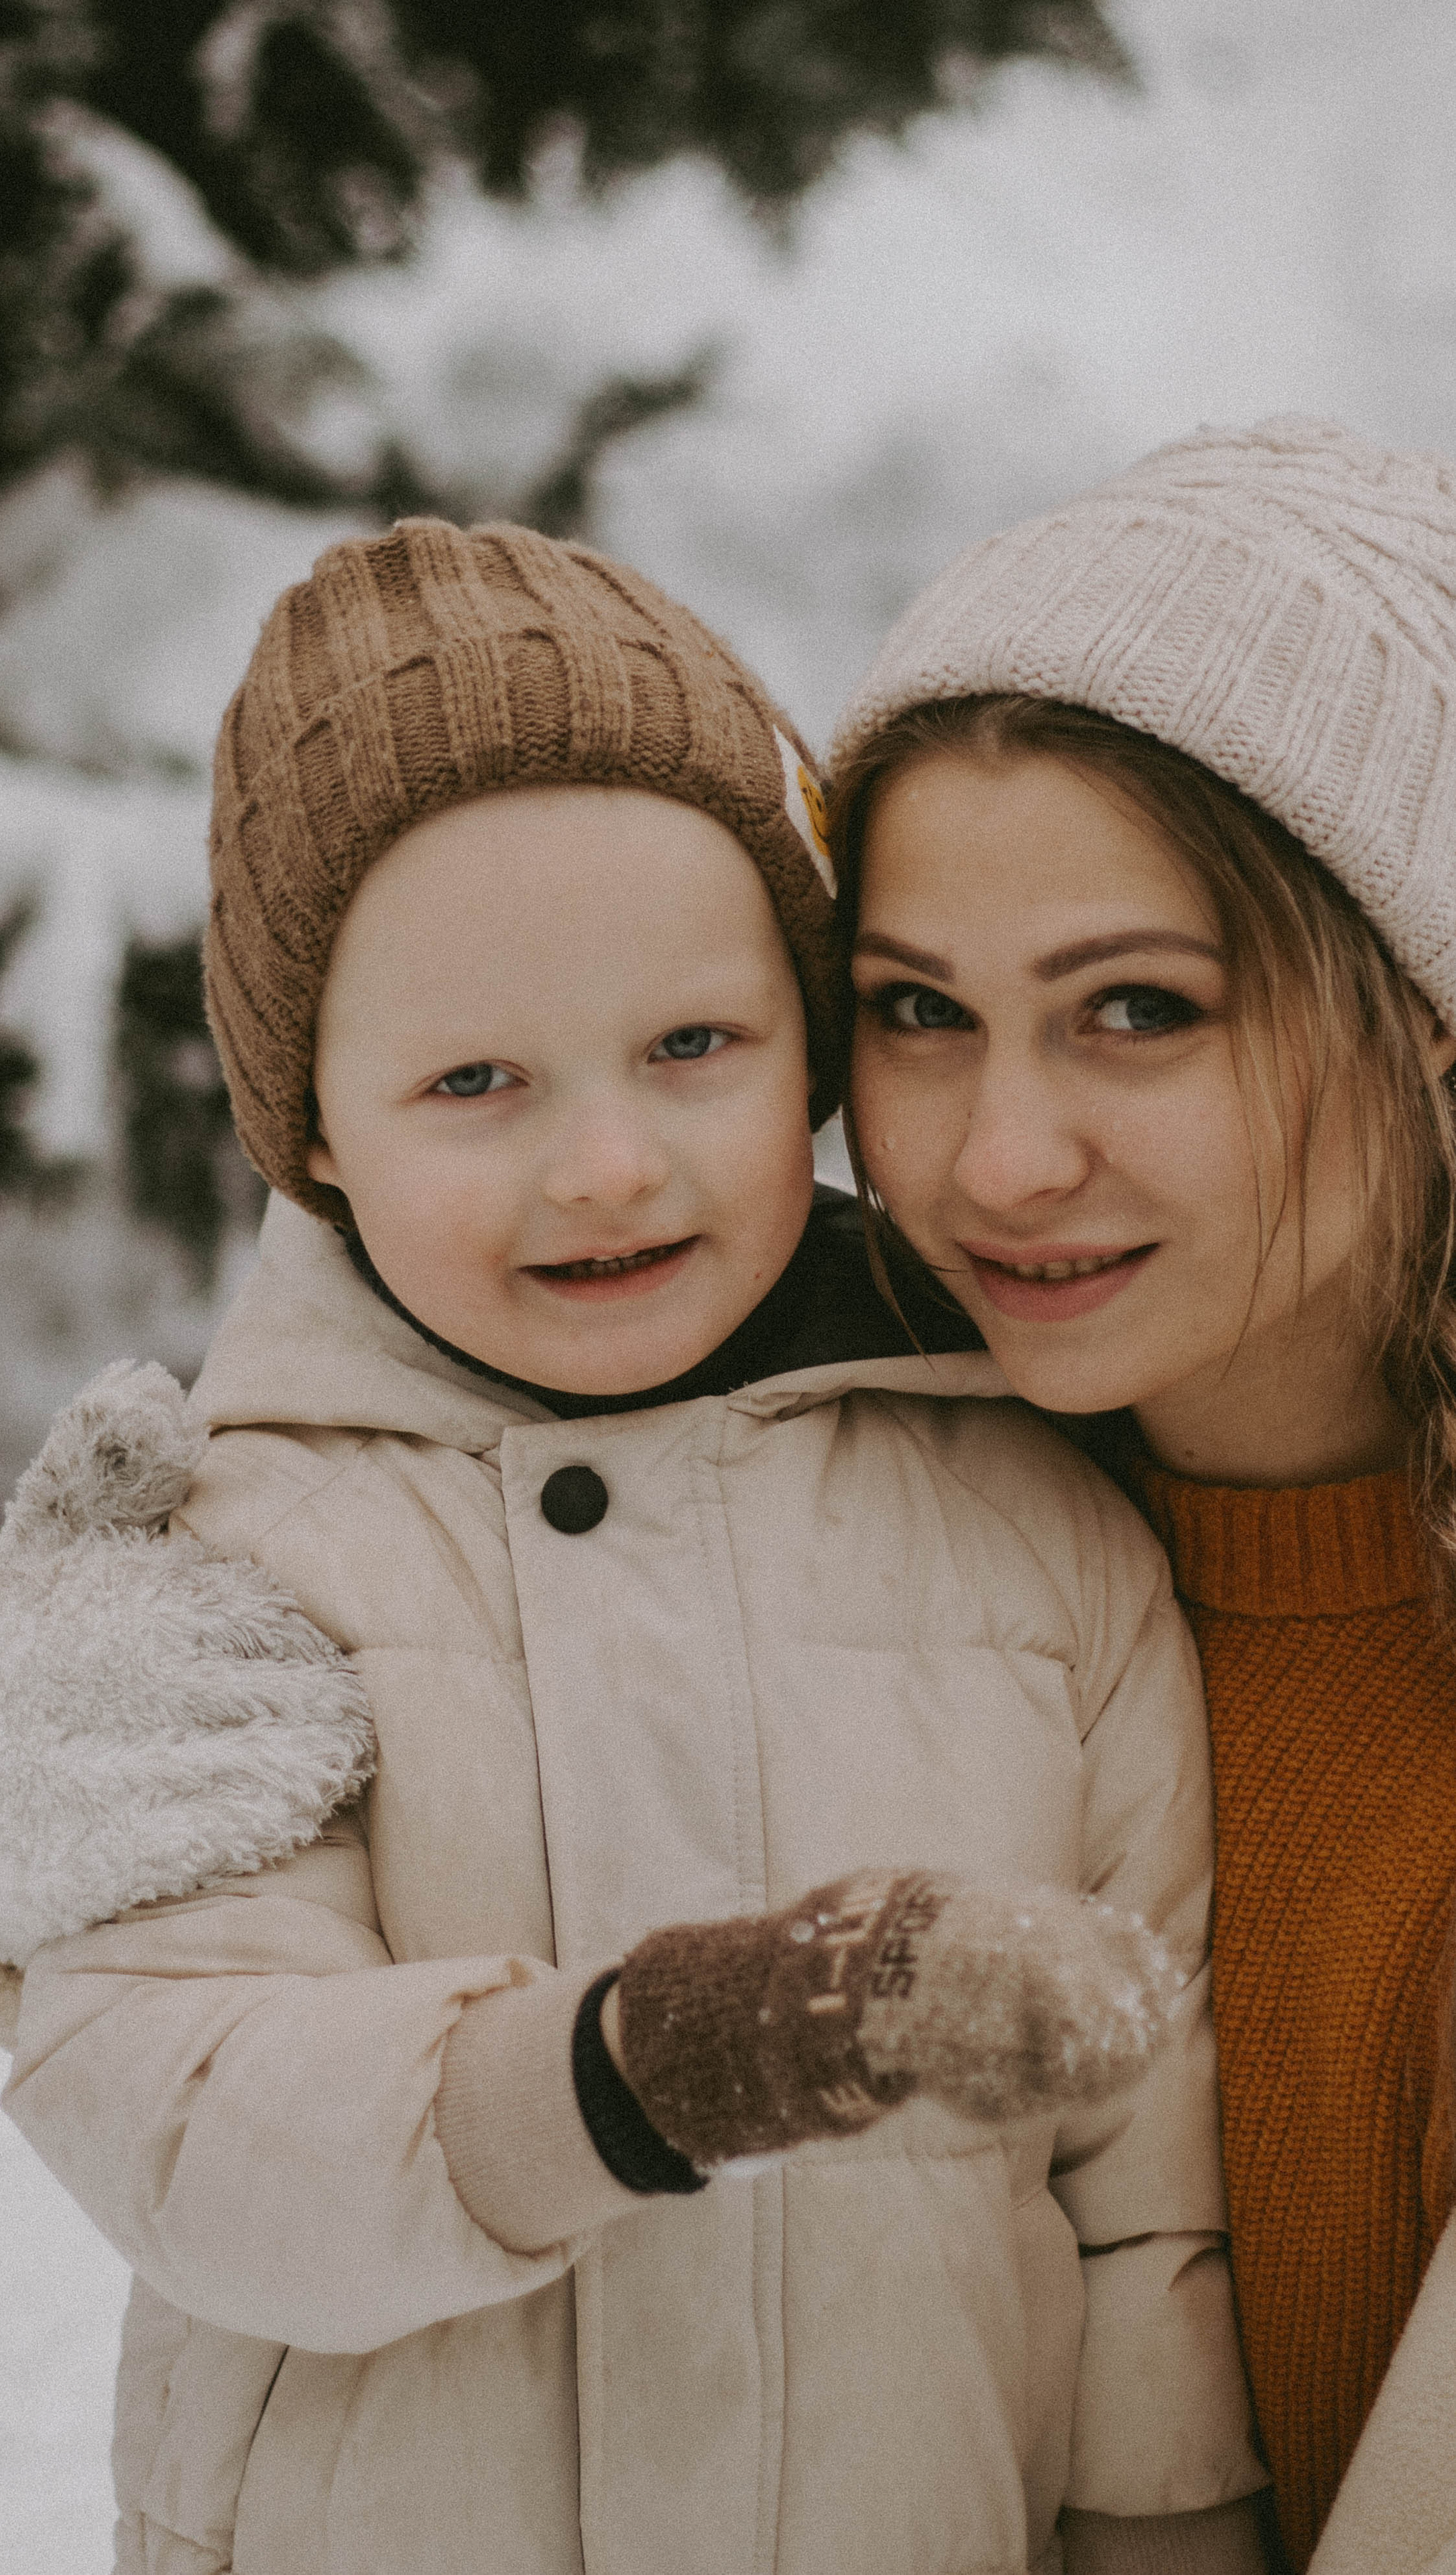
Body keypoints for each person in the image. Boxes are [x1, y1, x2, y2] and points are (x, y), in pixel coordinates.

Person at [0, 520, 1266, 2575]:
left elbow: (1153, 2182)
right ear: (314, 1131)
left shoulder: (1037, 1525)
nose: (604, 1163)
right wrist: (634, 2070)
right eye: (473, 1081)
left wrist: (1176, 2528)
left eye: (693, 1046)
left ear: (807, 1046)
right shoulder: (214, 1578)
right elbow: (190, 2123)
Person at [827, 416, 1456, 2575]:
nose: (999, 1161)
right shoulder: (850, 1560)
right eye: (917, 1010)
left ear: (1433, 1017)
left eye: (1136, 1011)